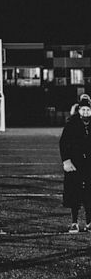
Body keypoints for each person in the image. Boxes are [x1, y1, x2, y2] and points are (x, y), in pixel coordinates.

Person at [60, 97, 91, 233]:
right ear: (79, 110)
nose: (85, 112)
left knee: (89, 193)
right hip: (75, 163)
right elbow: (63, 143)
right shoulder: (72, 123)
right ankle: (74, 223)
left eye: (88, 110)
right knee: (74, 192)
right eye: (83, 109)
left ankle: (89, 222)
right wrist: (66, 160)